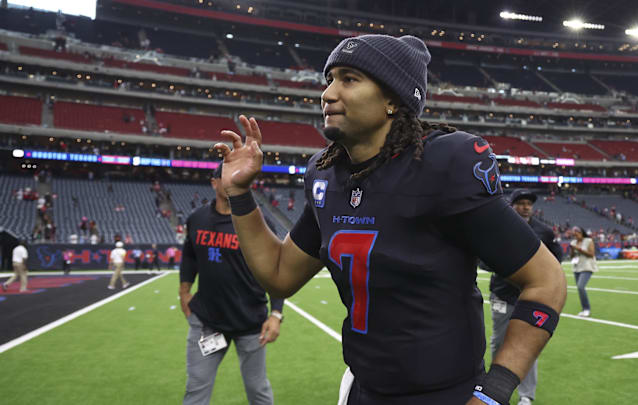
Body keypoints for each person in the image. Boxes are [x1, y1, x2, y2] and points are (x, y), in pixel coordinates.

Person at [214, 34, 566, 405]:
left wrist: (494, 391)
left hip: (444, 395)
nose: (329, 93)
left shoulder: (443, 165)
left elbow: (546, 281)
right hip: (364, 390)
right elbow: (279, 274)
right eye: (330, 79)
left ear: (393, 100)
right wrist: (239, 194)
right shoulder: (325, 174)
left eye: (349, 79)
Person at [180, 163, 283, 405]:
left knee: (257, 389)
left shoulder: (259, 220)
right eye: (225, 178)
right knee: (196, 388)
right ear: (214, 182)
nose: (231, 183)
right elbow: (189, 255)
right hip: (208, 323)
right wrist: (184, 290)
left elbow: (275, 265)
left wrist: (276, 313)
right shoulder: (197, 218)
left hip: (250, 323)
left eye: (237, 178)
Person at [488, 189, 564, 405]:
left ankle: (526, 395)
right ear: (512, 205)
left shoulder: (544, 231)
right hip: (502, 294)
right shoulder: (499, 227)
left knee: (528, 346)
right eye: (520, 202)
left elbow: (557, 257)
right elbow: (483, 258)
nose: (525, 207)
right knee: (499, 342)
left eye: (528, 203)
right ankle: (495, 391)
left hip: (533, 296)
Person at [569, 227, 597, 317]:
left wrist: (579, 249)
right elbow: (572, 256)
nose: (575, 236)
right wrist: (573, 249)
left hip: (587, 267)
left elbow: (591, 254)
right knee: (579, 288)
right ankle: (584, 309)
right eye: (574, 235)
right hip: (577, 267)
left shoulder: (588, 241)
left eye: (577, 234)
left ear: (581, 233)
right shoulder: (573, 242)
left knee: (581, 287)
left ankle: (586, 309)